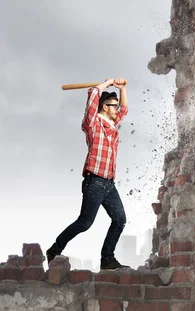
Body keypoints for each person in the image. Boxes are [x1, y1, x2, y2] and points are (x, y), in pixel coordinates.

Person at [46, 78, 130, 270]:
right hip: (95, 182)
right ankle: (54, 250)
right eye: (113, 106)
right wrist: (107, 82)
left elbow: (124, 110)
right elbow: (93, 95)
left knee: (120, 219)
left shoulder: (113, 124)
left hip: (109, 184)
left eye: (116, 105)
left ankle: (107, 259)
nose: (117, 109)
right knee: (85, 223)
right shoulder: (93, 123)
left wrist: (122, 88)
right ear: (103, 107)